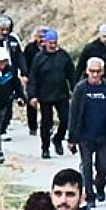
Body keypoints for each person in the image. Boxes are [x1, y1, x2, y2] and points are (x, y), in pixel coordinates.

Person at [68, 57, 106, 207]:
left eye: (98, 72)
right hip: (85, 136)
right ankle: (90, 196)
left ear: (103, 72)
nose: (95, 75)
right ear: (87, 71)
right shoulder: (80, 89)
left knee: (103, 166)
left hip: (104, 135)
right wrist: (71, 138)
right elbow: (74, 114)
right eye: (92, 71)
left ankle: (100, 186)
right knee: (86, 166)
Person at [27, 29, 76, 159]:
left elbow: (71, 75)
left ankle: (58, 139)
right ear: (45, 43)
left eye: (54, 43)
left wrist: (75, 90)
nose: (52, 45)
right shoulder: (39, 58)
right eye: (50, 43)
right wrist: (32, 95)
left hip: (62, 94)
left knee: (66, 120)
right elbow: (33, 78)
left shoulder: (64, 56)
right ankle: (45, 148)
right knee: (46, 123)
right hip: (45, 96)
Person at [23, 25, 47, 134]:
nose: (42, 39)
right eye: (40, 36)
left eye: (44, 36)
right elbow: (24, 62)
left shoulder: (50, 48)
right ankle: (32, 127)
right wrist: (25, 75)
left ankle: (47, 125)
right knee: (31, 103)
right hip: (32, 79)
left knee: (46, 103)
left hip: (45, 80)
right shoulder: (30, 48)